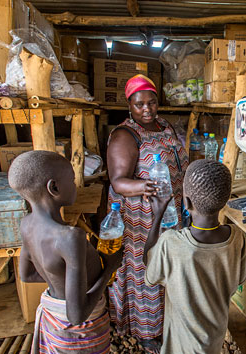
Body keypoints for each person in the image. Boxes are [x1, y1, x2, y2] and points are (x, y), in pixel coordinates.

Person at [8, 151, 123, 354]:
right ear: (54, 187)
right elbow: (76, 315)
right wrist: (109, 269)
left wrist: (60, 283)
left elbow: (27, 275)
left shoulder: (26, 224)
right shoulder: (70, 237)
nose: (75, 183)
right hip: (80, 333)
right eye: (72, 178)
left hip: (54, 319)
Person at [106, 74, 189, 352]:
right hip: (142, 215)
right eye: (139, 104)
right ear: (129, 104)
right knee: (145, 268)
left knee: (168, 264)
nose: (147, 109)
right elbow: (118, 181)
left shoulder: (165, 126)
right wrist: (150, 185)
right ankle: (145, 331)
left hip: (171, 210)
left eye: (151, 102)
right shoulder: (124, 135)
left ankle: (168, 320)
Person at [144, 160, 246, 354]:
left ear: (187, 202)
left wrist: (157, 216)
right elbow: (237, 281)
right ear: (224, 200)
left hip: (182, 345)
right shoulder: (237, 238)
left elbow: (149, 268)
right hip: (214, 336)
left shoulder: (171, 243)